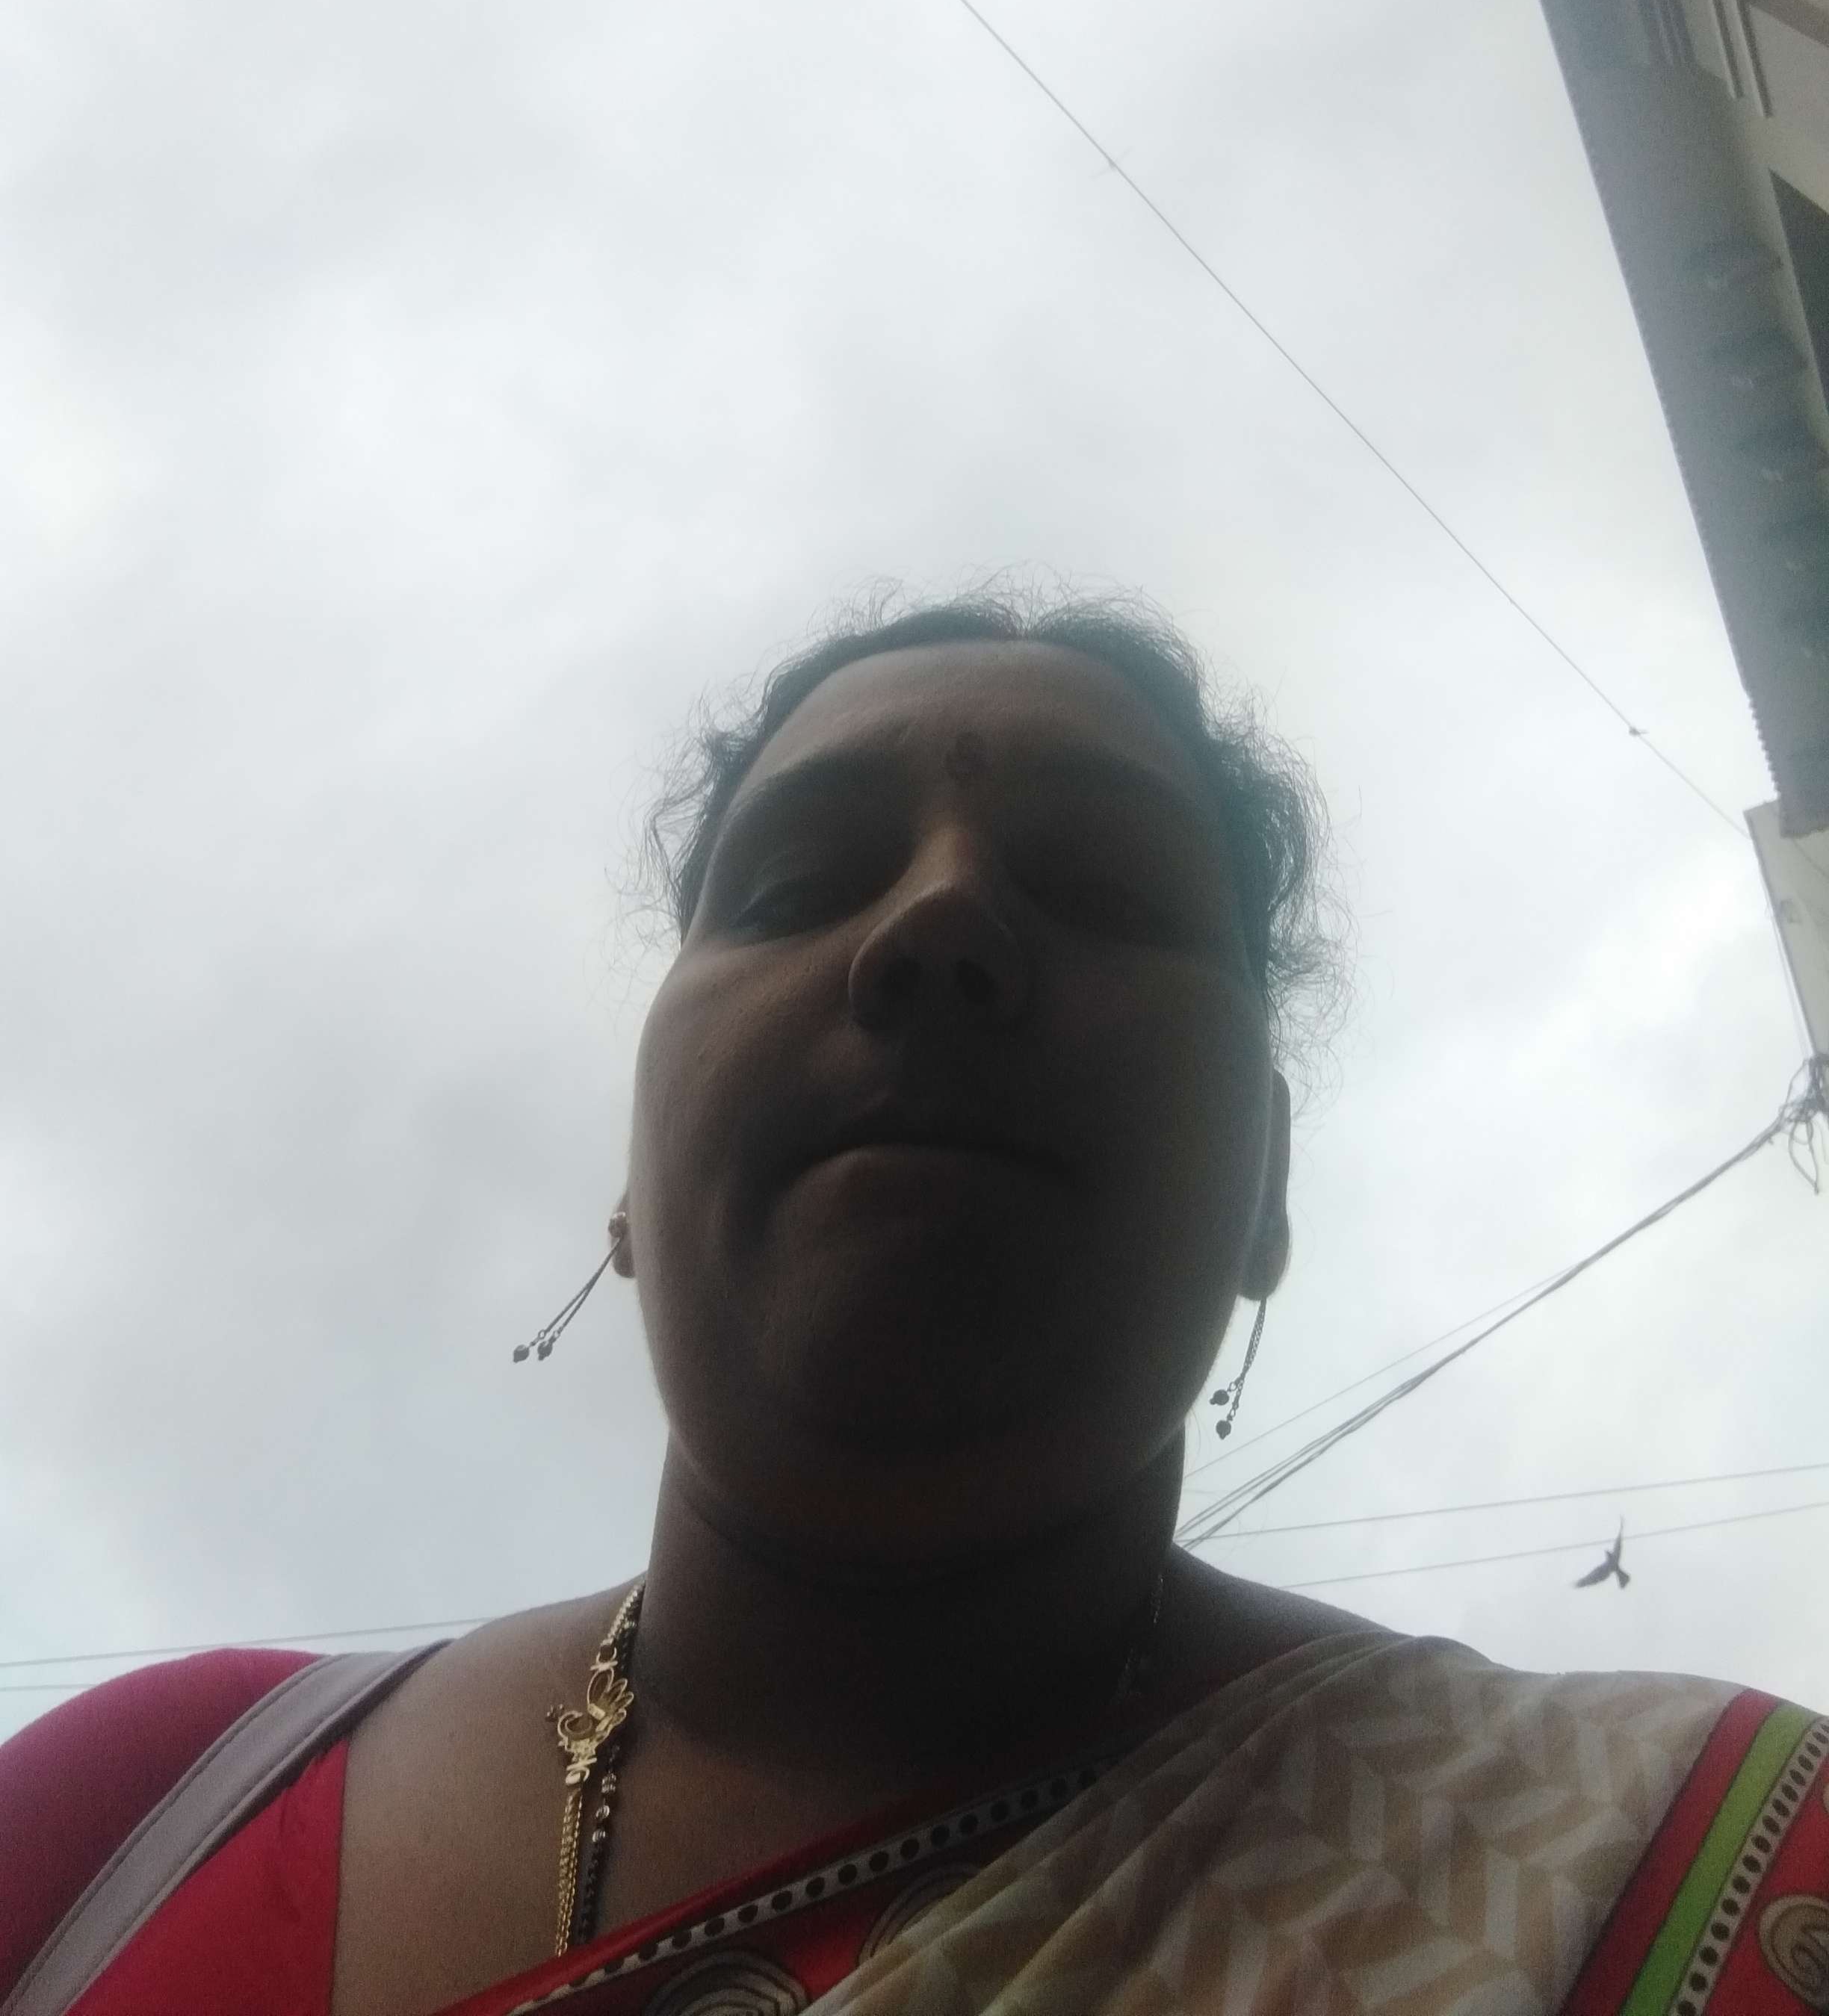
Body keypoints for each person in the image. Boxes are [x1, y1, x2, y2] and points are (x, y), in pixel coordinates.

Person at [3, 589, 1824, 2016]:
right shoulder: (129, 1822)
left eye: (1101, 886)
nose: (940, 922)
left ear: (1268, 1186)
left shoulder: (1696, 1863)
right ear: (630, 1177)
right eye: (800, 882)